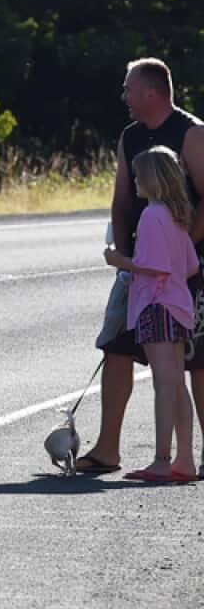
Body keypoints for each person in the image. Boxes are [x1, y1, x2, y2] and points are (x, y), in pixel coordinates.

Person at [77, 58, 204, 475]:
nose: (124, 97)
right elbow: (121, 198)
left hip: (178, 266)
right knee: (116, 346)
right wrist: (123, 257)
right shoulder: (130, 137)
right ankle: (107, 449)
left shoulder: (191, 133)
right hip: (138, 264)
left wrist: (175, 249)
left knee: (194, 361)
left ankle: (179, 458)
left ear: (151, 91)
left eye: (129, 89)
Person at [102, 146, 198, 481]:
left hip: (155, 306)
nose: (135, 182)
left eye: (139, 175)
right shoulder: (176, 215)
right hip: (178, 305)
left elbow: (152, 267)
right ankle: (185, 458)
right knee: (176, 382)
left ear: (151, 179)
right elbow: (189, 266)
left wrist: (120, 262)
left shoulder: (152, 215)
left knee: (164, 382)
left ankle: (161, 459)